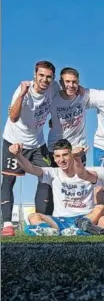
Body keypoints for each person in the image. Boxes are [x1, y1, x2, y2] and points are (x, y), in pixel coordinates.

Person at [1, 61, 60, 236]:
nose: (45, 79)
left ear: (53, 78)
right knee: (9, 180)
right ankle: (7, 225)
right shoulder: (23, 90)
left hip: (37, 143)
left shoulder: (54, 87)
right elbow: (13, 117)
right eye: (41, 75)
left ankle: (42, 221)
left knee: (47, 177)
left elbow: (64, 97)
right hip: (14, 141)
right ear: (35, 75)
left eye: (48, 76)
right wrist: (23, 94)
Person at [8, 139, 104, 236]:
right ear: (54, 158)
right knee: (33, 217)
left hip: (85, 218)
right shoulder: (53, 173)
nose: (61, 160)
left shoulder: (87, 173)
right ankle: (49, 231)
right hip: (60, 220)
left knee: (100, 208)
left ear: (72, 155)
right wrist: (18, 155)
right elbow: (31, 169)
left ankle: (77, 229)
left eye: (65, 155)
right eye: (58, 156)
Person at [47, 67, 89, 165]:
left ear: (78, 82)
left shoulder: (84, 95)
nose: (71, 85)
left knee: (79, 180)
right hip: (56, 149)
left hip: (78, 148)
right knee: (55, 180)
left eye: (74, 82)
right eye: (67, 81)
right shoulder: (53, 97)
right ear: (61, 82)